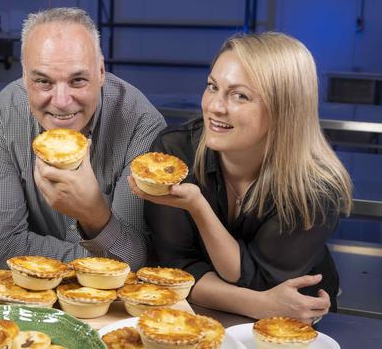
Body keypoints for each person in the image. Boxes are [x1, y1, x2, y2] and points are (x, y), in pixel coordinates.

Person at [129, 32, 352, 323]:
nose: (214, 106)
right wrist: (259, 304)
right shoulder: (174, 153)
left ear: (283, 108)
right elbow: (175, 271)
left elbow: (257, 281)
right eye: (213, 87)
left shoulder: (317, 188)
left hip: (292, 322)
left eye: (240, 95)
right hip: (197, 315)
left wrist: (198, 208)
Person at [0, 7, 165, 270]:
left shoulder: (140, 124)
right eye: (43, 81)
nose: (62, 102)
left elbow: (136, 260)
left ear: (100, 72)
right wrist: (98, 261)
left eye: (77, 81)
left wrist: (93, 212)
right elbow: (2, 248)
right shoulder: (0, 120)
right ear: (24, 76)